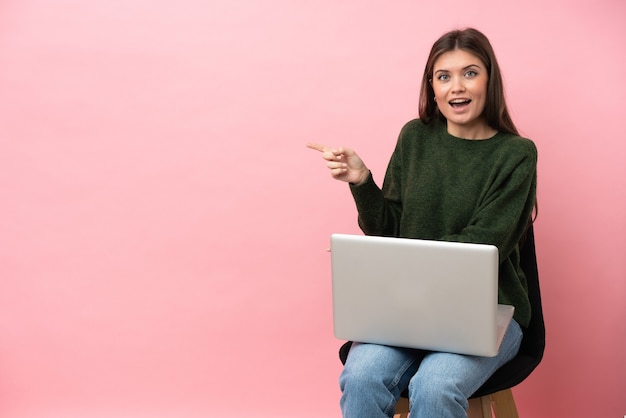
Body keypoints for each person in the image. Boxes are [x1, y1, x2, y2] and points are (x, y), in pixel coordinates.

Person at [307, 27, 537, 418]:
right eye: (443, 76)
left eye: (470, 72)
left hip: (487, 311)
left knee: (435, 386)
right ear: (431, 87)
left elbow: (485, 243)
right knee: (361, 379)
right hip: (406, 308)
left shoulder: (516, 154)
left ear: (490, 79)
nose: (455, 87)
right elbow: (389, 231)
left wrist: (404, 258)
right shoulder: (415, 137)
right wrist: (363, 183)